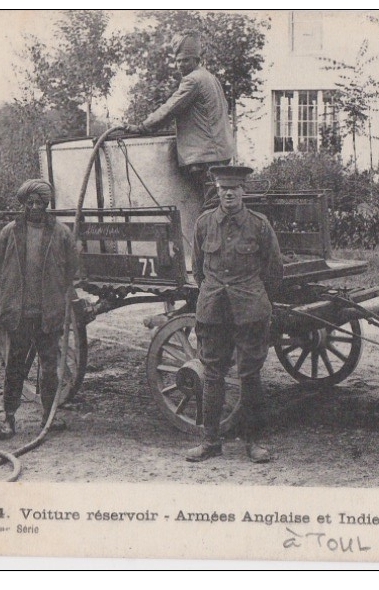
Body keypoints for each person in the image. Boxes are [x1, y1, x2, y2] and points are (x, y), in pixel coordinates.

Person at [188, 165, 283, 463]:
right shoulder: (204, 224)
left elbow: (274, 271)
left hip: (249, 311)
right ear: (216, 191)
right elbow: (198, 269)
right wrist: (214, 294)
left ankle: (253, 442)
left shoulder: (259, 225)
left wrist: (253, 297)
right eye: (223, 189)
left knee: (250, 375)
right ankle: (210, 441)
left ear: (243, 191)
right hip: (214, 311)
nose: (228, 194)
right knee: (213, 375)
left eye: (234, 189)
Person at [0, 179, 79, 440]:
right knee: (15, 367)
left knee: (50, 368)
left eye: (39, 203)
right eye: (29, 202)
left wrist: (60, 294)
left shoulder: (61, 233)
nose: (34, 207)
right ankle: (9, 419)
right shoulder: (10, 232)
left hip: (48, 314)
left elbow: (72, 268)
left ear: (46, 205)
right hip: (19, 315)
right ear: (23, 204)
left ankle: (48, 417)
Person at [124, 30, 236, 204]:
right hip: (219, 153)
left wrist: (142, 128)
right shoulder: (210, 77)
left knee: (212, 207)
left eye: (185, 60)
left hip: (206, 157)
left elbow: (170, 109)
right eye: (178, 61)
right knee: (219, 204)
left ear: (197, 60)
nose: (180, 65)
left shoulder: (193, 80)